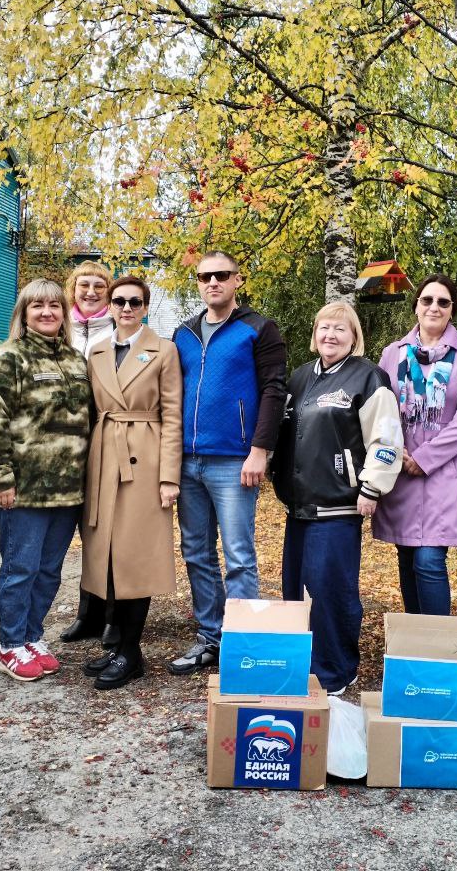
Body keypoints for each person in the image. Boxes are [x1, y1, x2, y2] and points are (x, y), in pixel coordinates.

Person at [272, 302, 403, 695]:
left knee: (331, 593)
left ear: (354, 336)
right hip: (298, 506)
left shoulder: (368, 378)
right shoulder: (298, 379)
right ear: (314, 335)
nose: (330, 335)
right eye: (324, 328)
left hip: (338, 506)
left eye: (340, 329)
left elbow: (387, 437)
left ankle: (336, 671)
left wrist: (372, 486)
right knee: (295, 591)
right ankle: (303, 666)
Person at [168, 250, 287, 674]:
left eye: (221, 275)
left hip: (235, 460)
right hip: (188, 460)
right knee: (197, 551)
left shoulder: (258, 329)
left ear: (238, 280)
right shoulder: (182, 334)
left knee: (238, 554)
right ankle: (210, 636)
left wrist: (260, 450)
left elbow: (274, 390)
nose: (212, 282)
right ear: (197, 283)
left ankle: (244, 645)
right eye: (204, 277)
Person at [0, 278, 91, 682]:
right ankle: (9, 644)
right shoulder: (9, 358)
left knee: (49, 571)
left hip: (68, 489)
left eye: (54, 306)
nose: (47, 312)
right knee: (20, 569)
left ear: (64, 314)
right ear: (23, 314)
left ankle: (31, 636)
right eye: (37, 306)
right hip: (23, 489)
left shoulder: (76, 361)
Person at [80, 276, 182, 689]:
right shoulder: (98, 349)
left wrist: (168, 476)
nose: (125, 308)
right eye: (118, 300)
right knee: (104, 553)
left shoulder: (164, 350)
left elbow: (172, 414)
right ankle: (118, 643)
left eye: (134, 302)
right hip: (103, 455)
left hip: (145, 456)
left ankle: (130, 652)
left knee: (135, 556)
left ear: (145, 306)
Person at [373, 274, 457, 615]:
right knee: (406, 557)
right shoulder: (392, 354)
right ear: (416, 306)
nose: (434, 307)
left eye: (443, 302)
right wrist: (394, 452)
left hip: (445, 473)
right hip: (400, 471)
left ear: (452, 310)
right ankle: (412, 641)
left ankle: (437, 645)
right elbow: (378, 406)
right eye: (427, 300)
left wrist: (424, 458)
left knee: (428, 560)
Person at [58, 259, 117, 646]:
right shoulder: (61, 329)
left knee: (106, 535)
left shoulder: (117, 330)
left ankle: (110, 615)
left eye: (99, 285)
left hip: (106, 441)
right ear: (73, 289)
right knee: (77, 532)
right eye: (84, 285)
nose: (92, 292)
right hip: (65, 445)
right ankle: (88, 613)